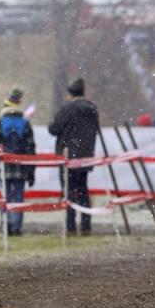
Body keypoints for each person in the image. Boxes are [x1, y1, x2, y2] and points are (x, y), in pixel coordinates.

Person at [49, 78, 99, 235]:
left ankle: (70, 226)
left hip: (69, 156)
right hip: (85, 156)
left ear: (71, 94)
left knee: (68, 192)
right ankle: (86, 226)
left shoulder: (68, 109)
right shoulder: (92, 109)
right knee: (83, 191)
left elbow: (53, 129)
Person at [0, 89, 36, 236]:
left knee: (6, 197)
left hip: (4, 168)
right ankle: (16, 227)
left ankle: (6, 225)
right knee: (18, 198)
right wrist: (31, 172)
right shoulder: (25, 124)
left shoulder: (0, 123)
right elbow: (31, 149)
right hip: (21, 168)